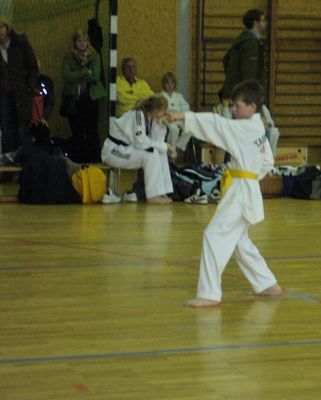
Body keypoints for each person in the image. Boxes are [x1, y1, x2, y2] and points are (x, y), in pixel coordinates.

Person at [167, 80, 282, 308]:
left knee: (214, 235)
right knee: (239, 240)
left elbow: (216, 124)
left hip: (241, 190)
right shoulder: (258, 128)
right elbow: (268, 161)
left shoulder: (245, 128)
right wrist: (252, 176)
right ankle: (267, 284)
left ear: (252, 107)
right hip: (245, 186)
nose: (233, 110)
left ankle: (209, 293)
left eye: (237, 106)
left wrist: (182, 117)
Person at [101, 95, 176, 204]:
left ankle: (162, 191)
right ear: (156, 109)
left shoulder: (150, 119)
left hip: (126, 149)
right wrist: (165, 146)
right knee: (150, 155)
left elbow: (156, 140)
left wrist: (159, 123)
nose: (165, 112)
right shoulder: (138, 115)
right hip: (113, 151)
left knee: (159, 152)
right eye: (164, 110)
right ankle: (153, 196)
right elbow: (140, 141)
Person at [61, 29, 106, 163]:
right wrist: (85, 72)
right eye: (79, 41)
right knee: (77, 131)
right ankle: (78, 159)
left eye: (84, 41)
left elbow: (95, 76)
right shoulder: (68, 57)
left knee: (91, 130)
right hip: (74, 98)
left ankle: (95, 160)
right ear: (74, 43)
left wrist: (76, 74)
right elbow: (66, 76)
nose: (82, 43)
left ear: (88, 42)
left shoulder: (94, 56)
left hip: (90, 98)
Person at [0, 16, 38, 155]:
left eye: (1, 27)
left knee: (23, 129)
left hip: (22, 93)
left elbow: (33, 66)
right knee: (6, 129)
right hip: (4, 94)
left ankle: (27, 162)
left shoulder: (20, 43)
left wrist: (30, 87)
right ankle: (8, 162)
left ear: (7, 27)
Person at [218, 9, 267, 108]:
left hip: (232, 93)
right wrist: (251, 96)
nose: (265, 23)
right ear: (255, 23)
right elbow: (249, 73)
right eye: (262, 20)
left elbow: (226, 60)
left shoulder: (241, 40)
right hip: (241, 98)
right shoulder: (251, 43)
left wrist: (232, 79)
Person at [158, 71, 190, 153]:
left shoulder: (179, 96)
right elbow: (160, 111)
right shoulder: (160, 96)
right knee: (174, 129)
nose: (170, 85)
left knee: (190, 127)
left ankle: (179, 147)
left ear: (174, 84)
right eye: (167, 83)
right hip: (166, 119)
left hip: (178, 118)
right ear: (163, 84)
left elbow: (186, 108)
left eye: (172, 83)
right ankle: (171, 150)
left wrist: (180, 116)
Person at [37, 58, 55, 122]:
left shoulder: (46, 81)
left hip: (42, 117)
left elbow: (50, 102)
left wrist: (43, 117)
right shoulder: (24, 82)